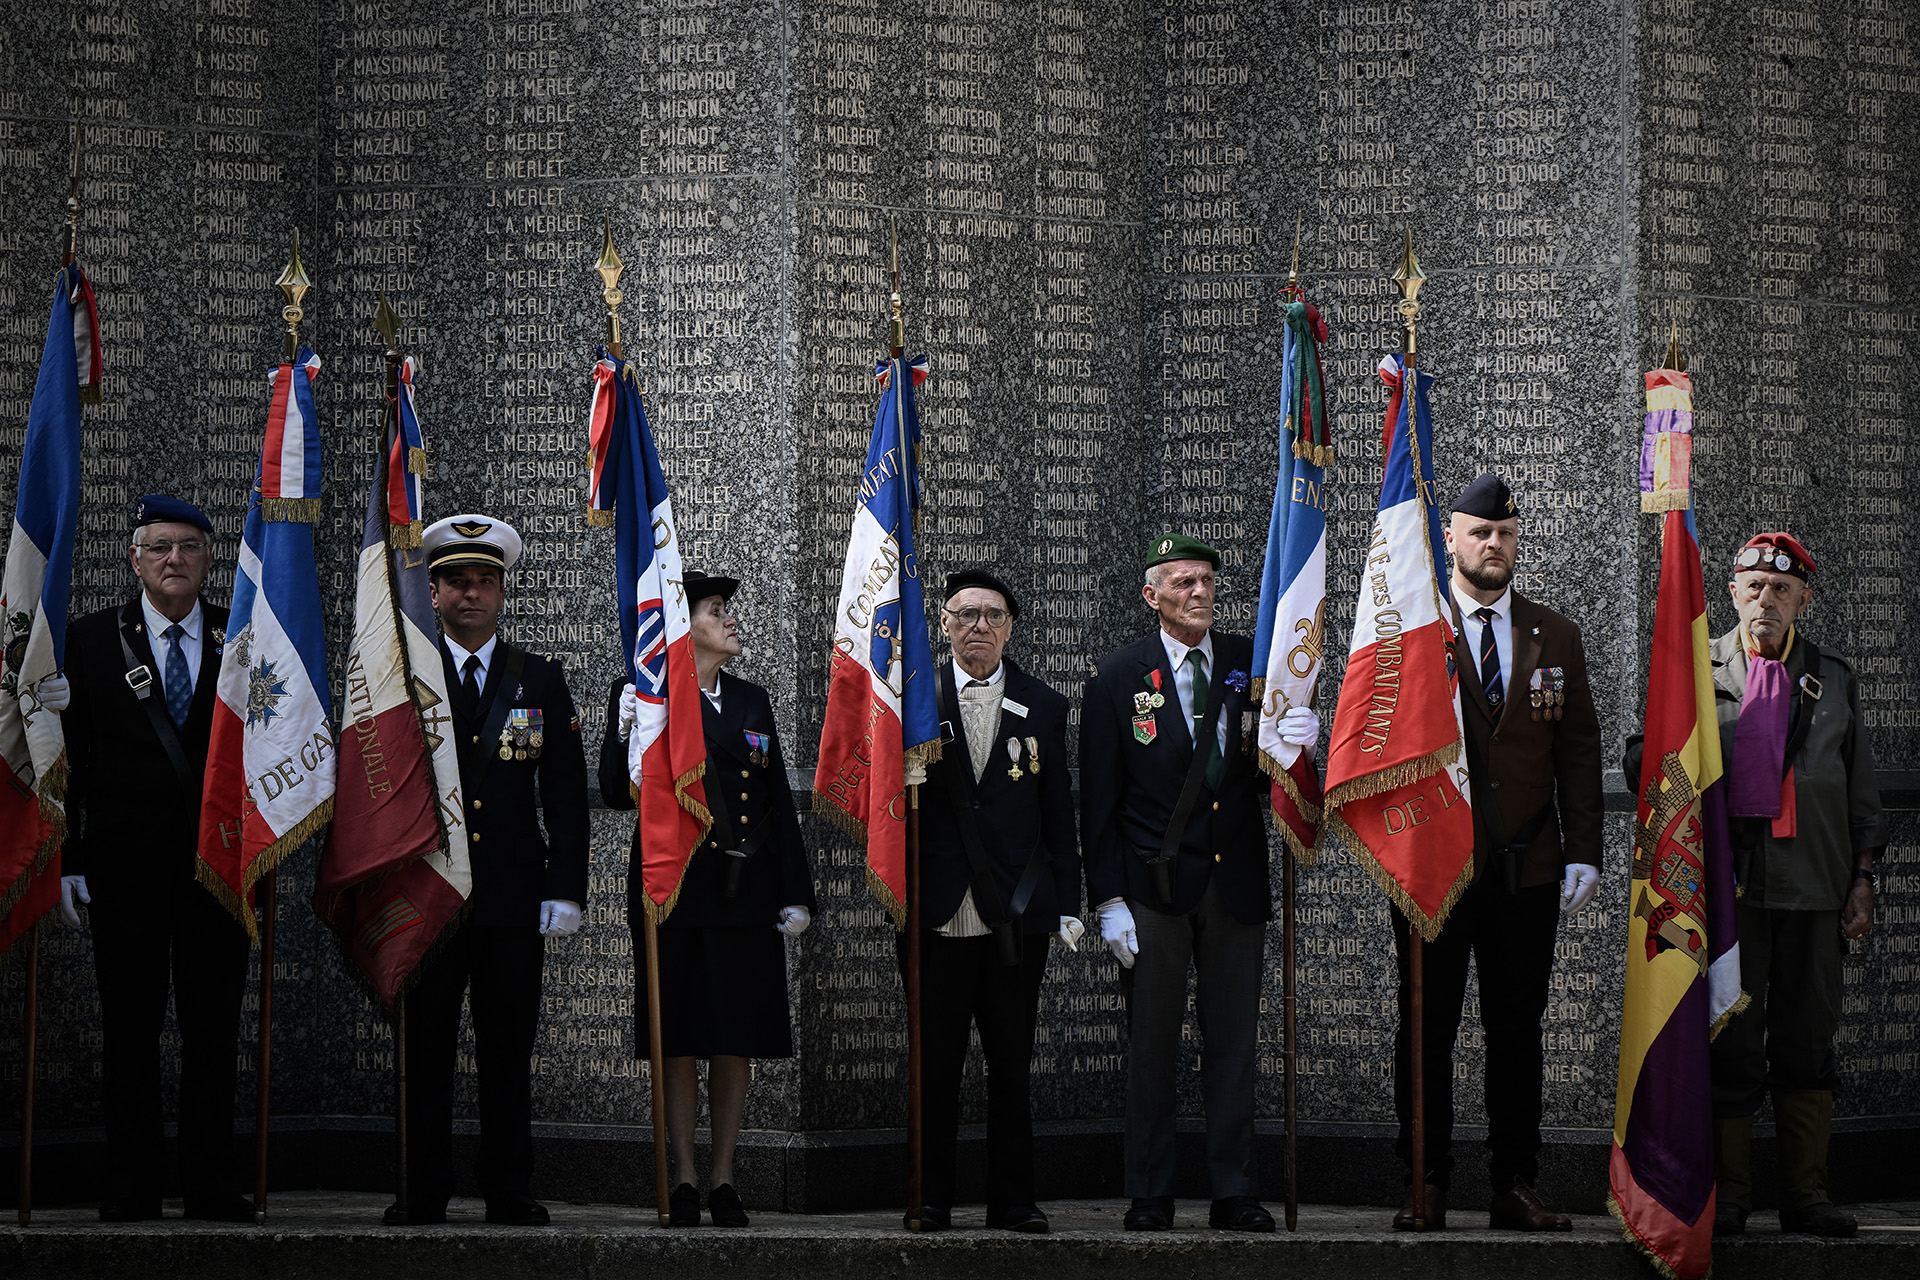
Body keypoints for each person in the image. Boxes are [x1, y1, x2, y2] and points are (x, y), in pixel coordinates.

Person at [1390, 472, 1603, 1232]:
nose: (1493, 545)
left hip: (1527, 867)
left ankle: (1515, 1183)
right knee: (1427, 1028)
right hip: (1434, 868)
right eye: (1480, 533)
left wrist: (1584, 850)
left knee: (1517, 1030)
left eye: (1506, 535)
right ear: (1449, 538)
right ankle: (1426, 1181)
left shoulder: (1555, 634)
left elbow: (1578, 749)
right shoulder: (1414, 627)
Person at [1081, 533, 1298, 1233]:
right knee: (1152, 1045)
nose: (1199, 592)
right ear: (1152, 596)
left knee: (1233, 1043)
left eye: (1206, 581)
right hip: (1154, 890)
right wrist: (1108, 899)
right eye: (1182, 582)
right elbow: (1100, 802)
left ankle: (1235, 1190)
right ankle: (1150, 1191)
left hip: (1234, 883)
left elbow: (1265, 773)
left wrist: (1296, 742)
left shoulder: (1248, 663)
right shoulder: (1118, 677)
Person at [50, 495, 253, 1222]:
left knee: (213, 1032)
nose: (175, 559)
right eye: (160, 546)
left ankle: (210, 1183)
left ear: (209, 560)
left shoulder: (246, 636)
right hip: (123, 870)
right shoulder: (90, 640)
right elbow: (68, 763)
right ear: (134, 559)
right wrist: (69, 859)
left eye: (189, 546)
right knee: (129, 1031)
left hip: (218, 870)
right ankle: (133, 1183)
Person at [385, 513, 589, 1226]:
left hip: (511, 895)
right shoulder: (404, 674)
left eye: (483, 582)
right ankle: (423, 1187)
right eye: (456, 582)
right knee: (426, 1048)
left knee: (507, 1050)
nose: (470, 594)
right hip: (428, 891)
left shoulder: (540, 678)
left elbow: (564, 793)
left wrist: (566, 888)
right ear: (433, 593)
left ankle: (508, 1186)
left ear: (502, 593)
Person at [599, 570, 815, 1229]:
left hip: (743, 890)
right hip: (675, 890)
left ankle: (723, 1177)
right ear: (683, 627)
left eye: (726, 609)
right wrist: (625, 732)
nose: (730, 620)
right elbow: (615, 794)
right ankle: (684, 1178)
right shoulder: (647, 695)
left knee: (732, 1035)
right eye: (716, 610)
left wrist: (795, 891)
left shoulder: (750, 700)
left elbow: (775, 801)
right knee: (680, 1036)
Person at [1704, 533, 1882, 1237]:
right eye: (1754, 587)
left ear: (1804, 599)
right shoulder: (1697, 669)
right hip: (1734, 897)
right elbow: (1652, 759)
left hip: (1816, 889)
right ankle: (1731, 1195)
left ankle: (1806, 1195)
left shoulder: (1833, 678)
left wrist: (1862, 878)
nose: (1766, 600)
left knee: (1808, 1041)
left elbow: (1860, 791)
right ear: (1733, 593)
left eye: (1782, 589)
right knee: (1733, 1042)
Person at [902, 569, 1082, 1234]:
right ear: (944, 624)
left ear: (1010, 630)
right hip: (935, 913)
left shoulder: (1044, 705)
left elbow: (1057, 813)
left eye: (993, 616)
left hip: (1015, 916)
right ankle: (930, 1196)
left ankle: (1013, 1199)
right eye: (965, 614)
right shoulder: (912, 701)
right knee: (935, 1064)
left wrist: (1068, 902)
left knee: (1010, 1063)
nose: (978, 626)